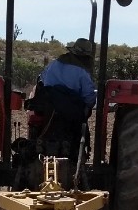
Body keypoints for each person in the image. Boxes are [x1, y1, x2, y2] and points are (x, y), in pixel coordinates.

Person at [27, 38, 97, 167]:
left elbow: (41, 80)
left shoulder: (54, 64)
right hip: (71, 114)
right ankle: (79, 156)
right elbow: (89, 97)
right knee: (81, 122)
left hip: (47, 108)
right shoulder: (83, 72)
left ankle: (35, 149)